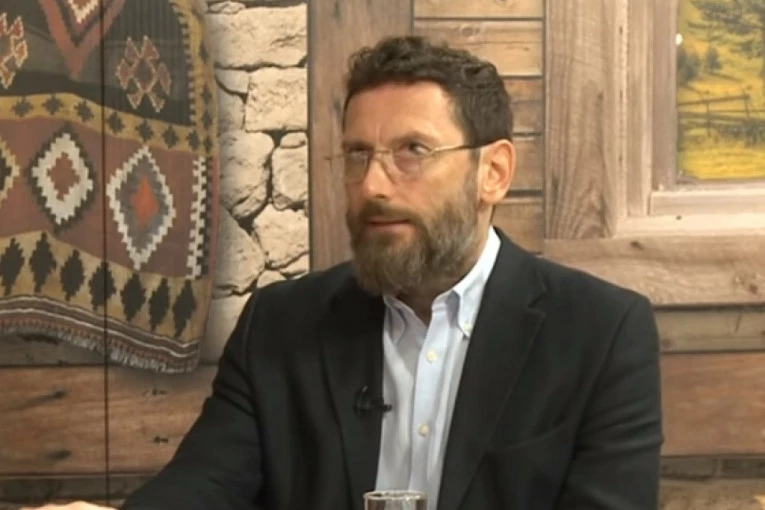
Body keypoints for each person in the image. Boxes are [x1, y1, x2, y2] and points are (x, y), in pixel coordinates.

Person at [25, 35, 663, 510]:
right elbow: (206, 485)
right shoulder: (281, 325)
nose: (373, 185)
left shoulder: (601, 333)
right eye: (357, 154)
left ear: (492, 172)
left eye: (412, 152)